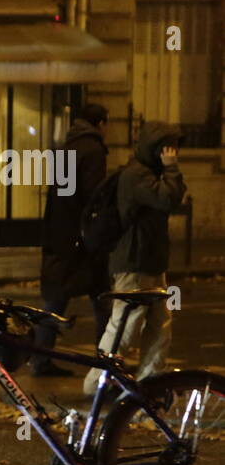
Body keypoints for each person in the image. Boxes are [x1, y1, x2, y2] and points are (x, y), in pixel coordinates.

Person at [83, 122, 186, 395]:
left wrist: (169, 170)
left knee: (159, 326)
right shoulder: (137, 175)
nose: (174, 153)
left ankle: (149, 384)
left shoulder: (151, 173)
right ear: (157, 149)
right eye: (169, 148)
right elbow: (168, 200)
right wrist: (171, 167)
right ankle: (96, 382)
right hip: (133, 263)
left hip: (151, 261)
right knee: (126, 325)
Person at [31, 104, 112, 376]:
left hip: (60, 231)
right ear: (100, 123)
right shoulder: (94, 150)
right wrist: (97, 231)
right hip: (83, 234)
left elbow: (60, 193)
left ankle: (41, 358)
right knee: (102, 299)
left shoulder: (66, 147)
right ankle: (105, 362)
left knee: (56, 297)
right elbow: (92, 196)